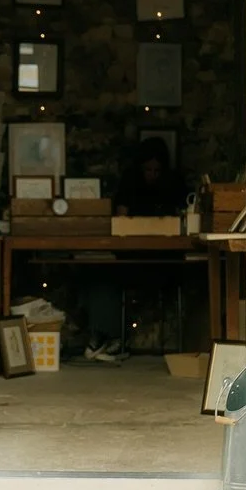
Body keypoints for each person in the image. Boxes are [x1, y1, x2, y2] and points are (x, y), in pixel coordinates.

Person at [79, 138, 186, 361]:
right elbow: (121, 217)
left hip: (166, 263)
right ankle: (107, 335)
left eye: (157, 170)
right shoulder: (130, 183)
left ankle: (109, 338)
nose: (152, 175)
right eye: (148, 169)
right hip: (132, 258)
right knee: (102, 275)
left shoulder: (173, 183)